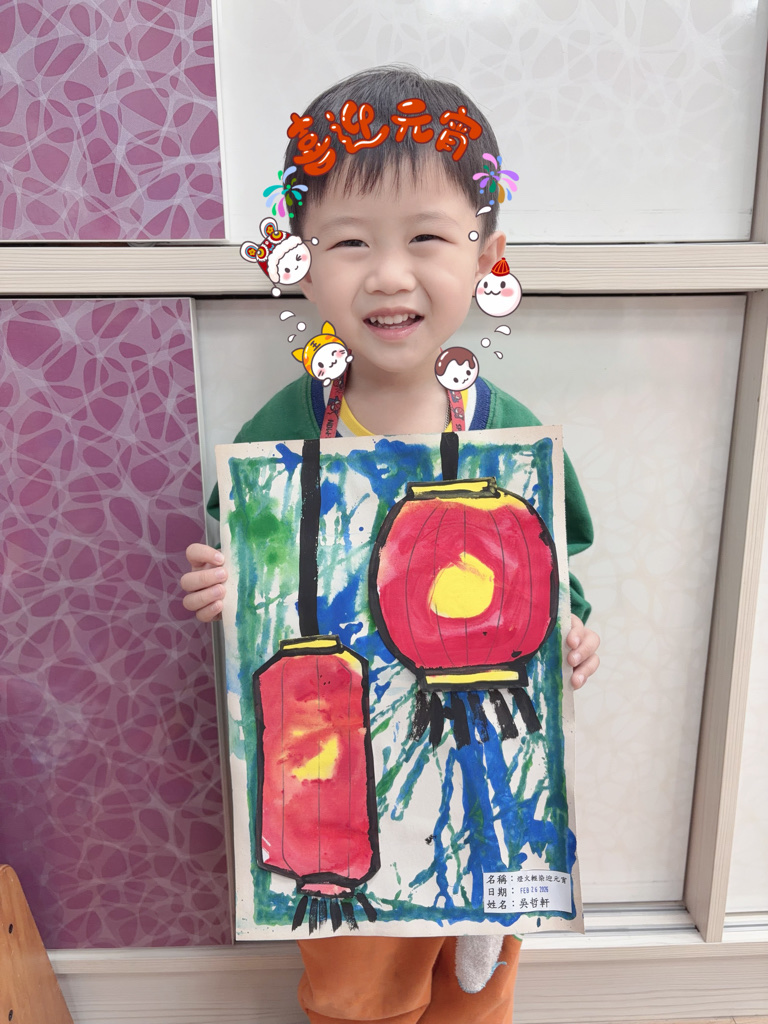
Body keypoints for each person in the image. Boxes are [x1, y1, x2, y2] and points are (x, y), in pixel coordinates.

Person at [180, 66, 600, 1024]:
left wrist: (571, 635)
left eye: (426, 238)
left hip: (486, 764)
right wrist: (225, 584)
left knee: (478, 979)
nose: (389, 274)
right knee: (355, 988)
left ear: (488, 256)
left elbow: (558, 573)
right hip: (336, 779)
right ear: (300, 259)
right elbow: (245, 554)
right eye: (351, 242)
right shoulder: (285, 432)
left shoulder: (511, 437)